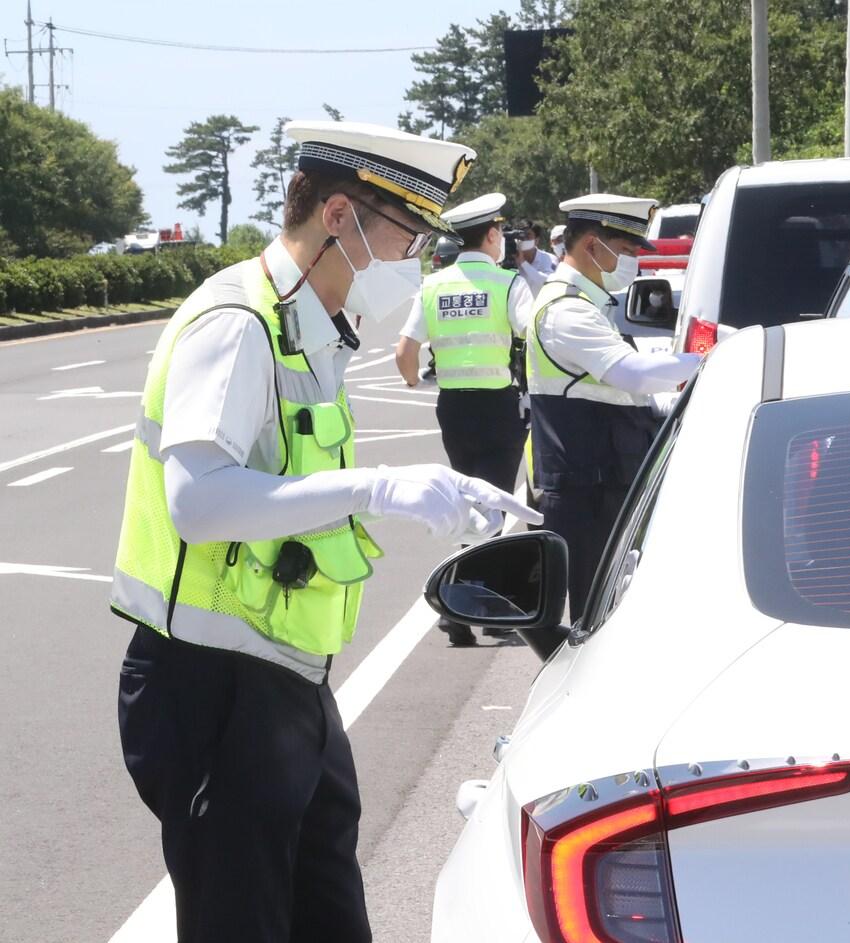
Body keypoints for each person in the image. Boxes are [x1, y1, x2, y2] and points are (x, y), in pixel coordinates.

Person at [111, 119, 541, 943]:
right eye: (405, 233)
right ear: (339, 216)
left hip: (287, 685)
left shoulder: (310, 330)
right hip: (212, 687)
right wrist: (379, 486)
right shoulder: (238, 323)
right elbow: (197, 502)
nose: (414, 258)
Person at [526, 194, 704, 612]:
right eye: (625, 251)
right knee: (593, 615)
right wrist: (711, 358)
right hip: (586, 491)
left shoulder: (587, 304)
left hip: (600, 483)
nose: (632, 263)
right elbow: (633, 375)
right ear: (591, 245)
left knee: (609, 607)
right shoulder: (566, 310)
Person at [395, 192, 534, 645]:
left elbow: (405, 352)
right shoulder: (507, 284)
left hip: (453, 408)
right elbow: (533, 331)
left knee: (469, 500)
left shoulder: (433, 285)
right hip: (497, 406)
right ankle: (481, 609)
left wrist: (415, 381)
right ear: (492, 235)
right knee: (492, 506)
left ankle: (458, 610)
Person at [515, 219, 558, 294]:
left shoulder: (549, 259)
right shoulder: (510, 260)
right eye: (520, 236)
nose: (523, 239)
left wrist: (524, 264)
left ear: (536, 240)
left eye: (527, 236)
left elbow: (548, 282)